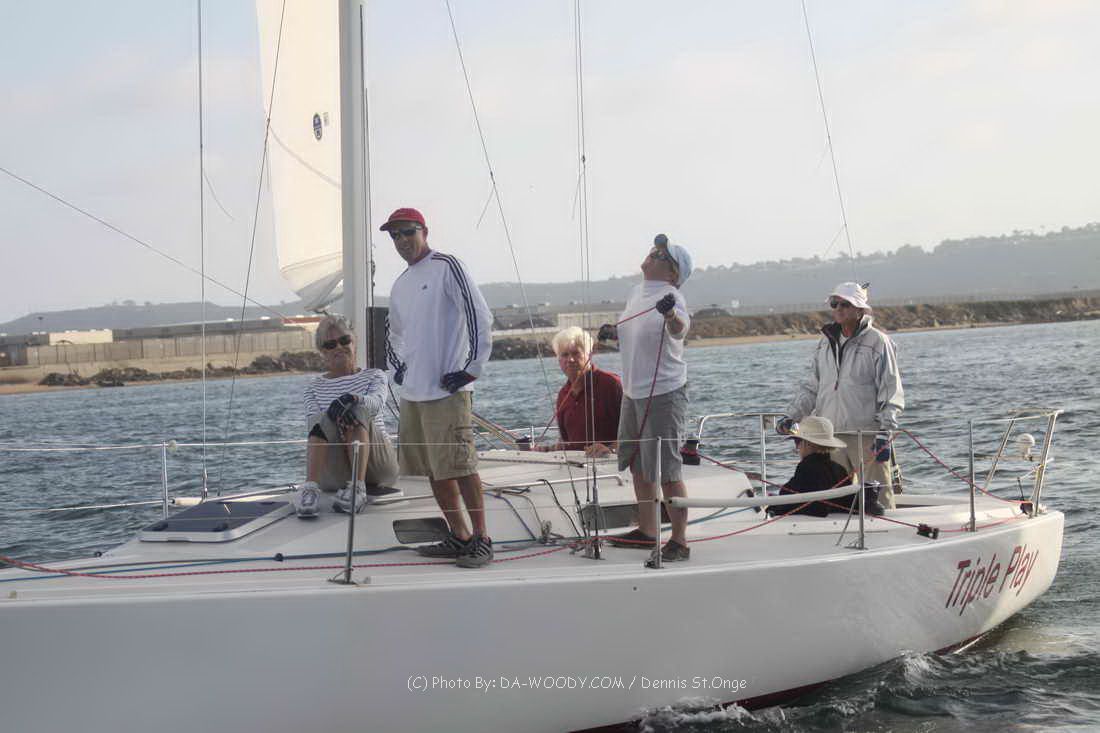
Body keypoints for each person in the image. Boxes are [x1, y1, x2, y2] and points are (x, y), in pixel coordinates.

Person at [382, 207, 495, 569]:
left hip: (447, 391)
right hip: (414, 394)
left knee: (461, 466)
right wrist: (398, 371)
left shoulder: (448, 266)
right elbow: (392, 334)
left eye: (408, 232)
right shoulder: (400, 284)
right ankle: (459, 535)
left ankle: (481, 538)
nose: (402, 240)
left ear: (424, 231)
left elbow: (479, 315)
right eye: (395, 235)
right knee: (434, 469)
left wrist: (471, 369)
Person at [599, 234, 693, 562]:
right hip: (633, 391)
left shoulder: (672, 296)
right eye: (653, 250)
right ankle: (648, 531)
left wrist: (670, 315)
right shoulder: (636, 293)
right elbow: (635, 335)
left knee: (667, 468)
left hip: (664, 391)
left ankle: (680, 540)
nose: (652, 254)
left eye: (660, 254)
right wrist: (614, 333)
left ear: (672, 273)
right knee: (637, 462)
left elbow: (680, 330)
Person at [777, 282, 904, 509]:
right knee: (836, 500)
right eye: (835, 304)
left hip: (866, 435)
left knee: (878, 499)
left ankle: (888, 526)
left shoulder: (878, 342)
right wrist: (791, 416)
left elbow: (891, 391)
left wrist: (885, 432)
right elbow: (812, 388)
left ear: (860, 309)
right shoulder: (824, 344)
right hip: (830, 437)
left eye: (846, 304)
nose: (839, 309)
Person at [296, 314, 401, 518]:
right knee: (319, 420)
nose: (339, 347)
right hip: (336, 471)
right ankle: (310, 489)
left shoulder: (375, 375)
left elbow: (376, 403)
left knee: (356, 408)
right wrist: (333, 413)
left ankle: (357, 489)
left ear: (354, 342)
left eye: (344, 340)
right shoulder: (313, 388)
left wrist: (352, 399)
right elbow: (313, 425)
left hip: (378, 467)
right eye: (330, 344)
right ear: (323, 351)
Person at [533, 326, 622, 456]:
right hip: (576, 464)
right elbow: (567, 442)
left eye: (576, 353)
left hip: (611, 462)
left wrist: (610, 449)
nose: (570, 360)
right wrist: (545, 450)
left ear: (589, 355)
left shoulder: (611, 384)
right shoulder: (563, 395)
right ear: (559, 360)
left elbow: (637, 432)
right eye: (565, 355)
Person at [766, 415, 852, 518]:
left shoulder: (807, 468)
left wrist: (771, 509)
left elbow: (788, 498)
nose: (797, 447)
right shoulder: (839, 468)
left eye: (797, 441)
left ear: (808, 444)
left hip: (813, 520)